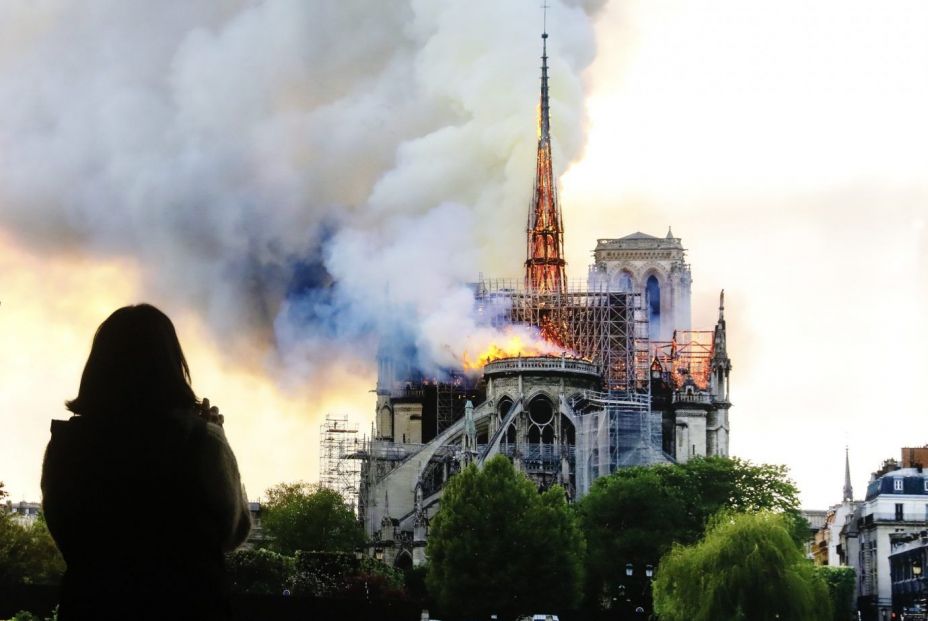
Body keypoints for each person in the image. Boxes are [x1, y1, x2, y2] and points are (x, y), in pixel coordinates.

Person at [41, 304, 251, 620]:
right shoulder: (201, 440)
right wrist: (215, 434)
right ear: (173, 365)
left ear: (99, 365)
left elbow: (64, 530)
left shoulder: (67, 443)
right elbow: (233, 532)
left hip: (92, 606)